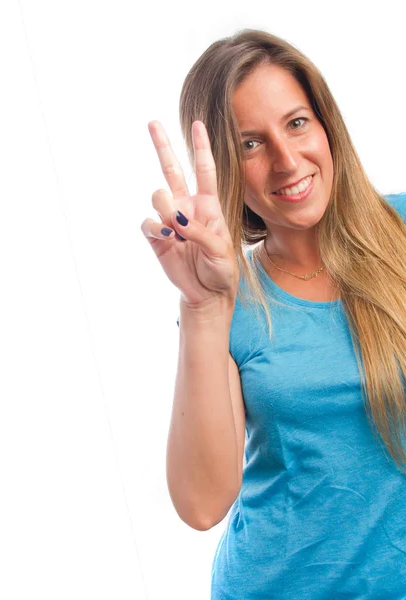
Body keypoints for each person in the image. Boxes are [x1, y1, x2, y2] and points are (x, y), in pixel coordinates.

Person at [141, 29, 406, 599]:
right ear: (226, 168)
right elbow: (202, 504)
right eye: (251, 144)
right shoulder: (227, 297)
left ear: (326, 124)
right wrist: (204, 308)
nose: (288, 161)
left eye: (296, 123)